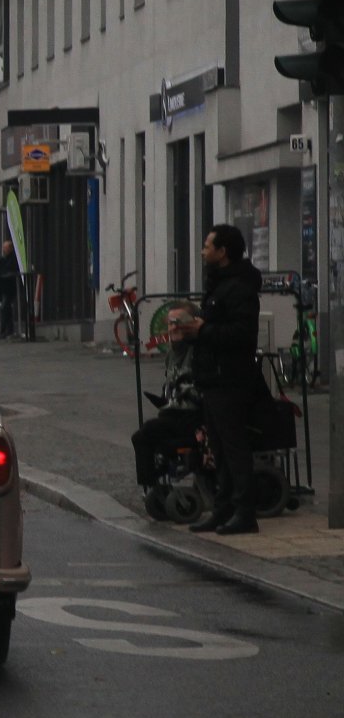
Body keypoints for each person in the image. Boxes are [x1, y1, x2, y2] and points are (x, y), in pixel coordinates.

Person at [177, 224, 265, 535]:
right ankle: (223, 508)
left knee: (234, 448)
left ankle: (245, 512)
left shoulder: (239, 287)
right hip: (212, 378)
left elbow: (243, 334)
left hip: (229, 378)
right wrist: (193, 330)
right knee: (219, 449)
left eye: (207, 246)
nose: (203, 251)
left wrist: (203, 330)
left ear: (222, 252)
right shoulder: (219, 284)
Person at [130, 301, 203, 517]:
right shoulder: (172, 354)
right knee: (146, 437)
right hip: (176, 413)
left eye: (179, 322)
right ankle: (153, 487)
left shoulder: (199, 350)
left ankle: (153, 486)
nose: (173, 327)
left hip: (195, 417)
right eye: (170, 323)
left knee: (146, 435)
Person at [0, 240, 20, 339]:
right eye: (3, 248)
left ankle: (6, 330)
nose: (3, 250)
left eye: (5, 248)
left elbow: (10, 271)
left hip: (9, 287)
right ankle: (7, 330)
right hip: (5, 287)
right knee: (6, 309)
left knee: (5, 308)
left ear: (10, 248)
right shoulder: (3, 259)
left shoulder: (12, 259)